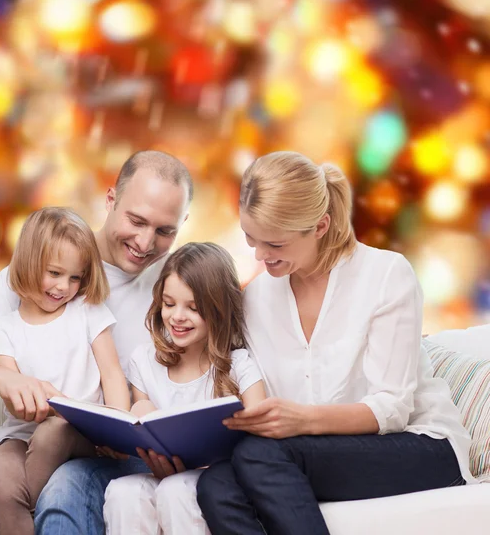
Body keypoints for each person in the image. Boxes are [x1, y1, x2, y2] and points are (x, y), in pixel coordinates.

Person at [196, 151, 475, 535]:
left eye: (275, 244)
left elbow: (392, 408)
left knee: (261, 456)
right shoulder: (257, 298)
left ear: (321, 226)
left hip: (419, 445)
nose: (260, 256)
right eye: (251, 239)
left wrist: (301, 420)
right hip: (305, 453)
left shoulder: (385, 275)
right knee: (216, 485)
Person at [0, 150, 193, 534]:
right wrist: (4, 378)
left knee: (64, 488)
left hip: (112, 454)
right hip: (28, 445)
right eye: (136, 220)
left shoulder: (180, 286)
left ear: (183, 226)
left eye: (165, 231)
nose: (146, 242)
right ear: (110, 199)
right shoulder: (38, 271)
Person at [103, 242, 266, 535]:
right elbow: (143, 430)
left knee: (177, 490)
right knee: (123, 491)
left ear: (218, 310)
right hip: (161, 473)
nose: (177, 317)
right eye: (168, 304)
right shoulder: (144, 360)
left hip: (219, 479)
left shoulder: (239, 365)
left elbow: (260, 439)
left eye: (193, 308)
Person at [0, 207, 130, 534]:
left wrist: (118, 427)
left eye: (75, 277)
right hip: (22, 433)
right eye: (54, 273)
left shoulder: (87, 309)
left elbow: (112, 374)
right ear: (28, 263)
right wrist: (41, 397)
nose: (64, 287)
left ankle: (36, 511)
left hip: (81, 433)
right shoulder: (6, 328)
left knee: (53, 432)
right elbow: (13, 398)